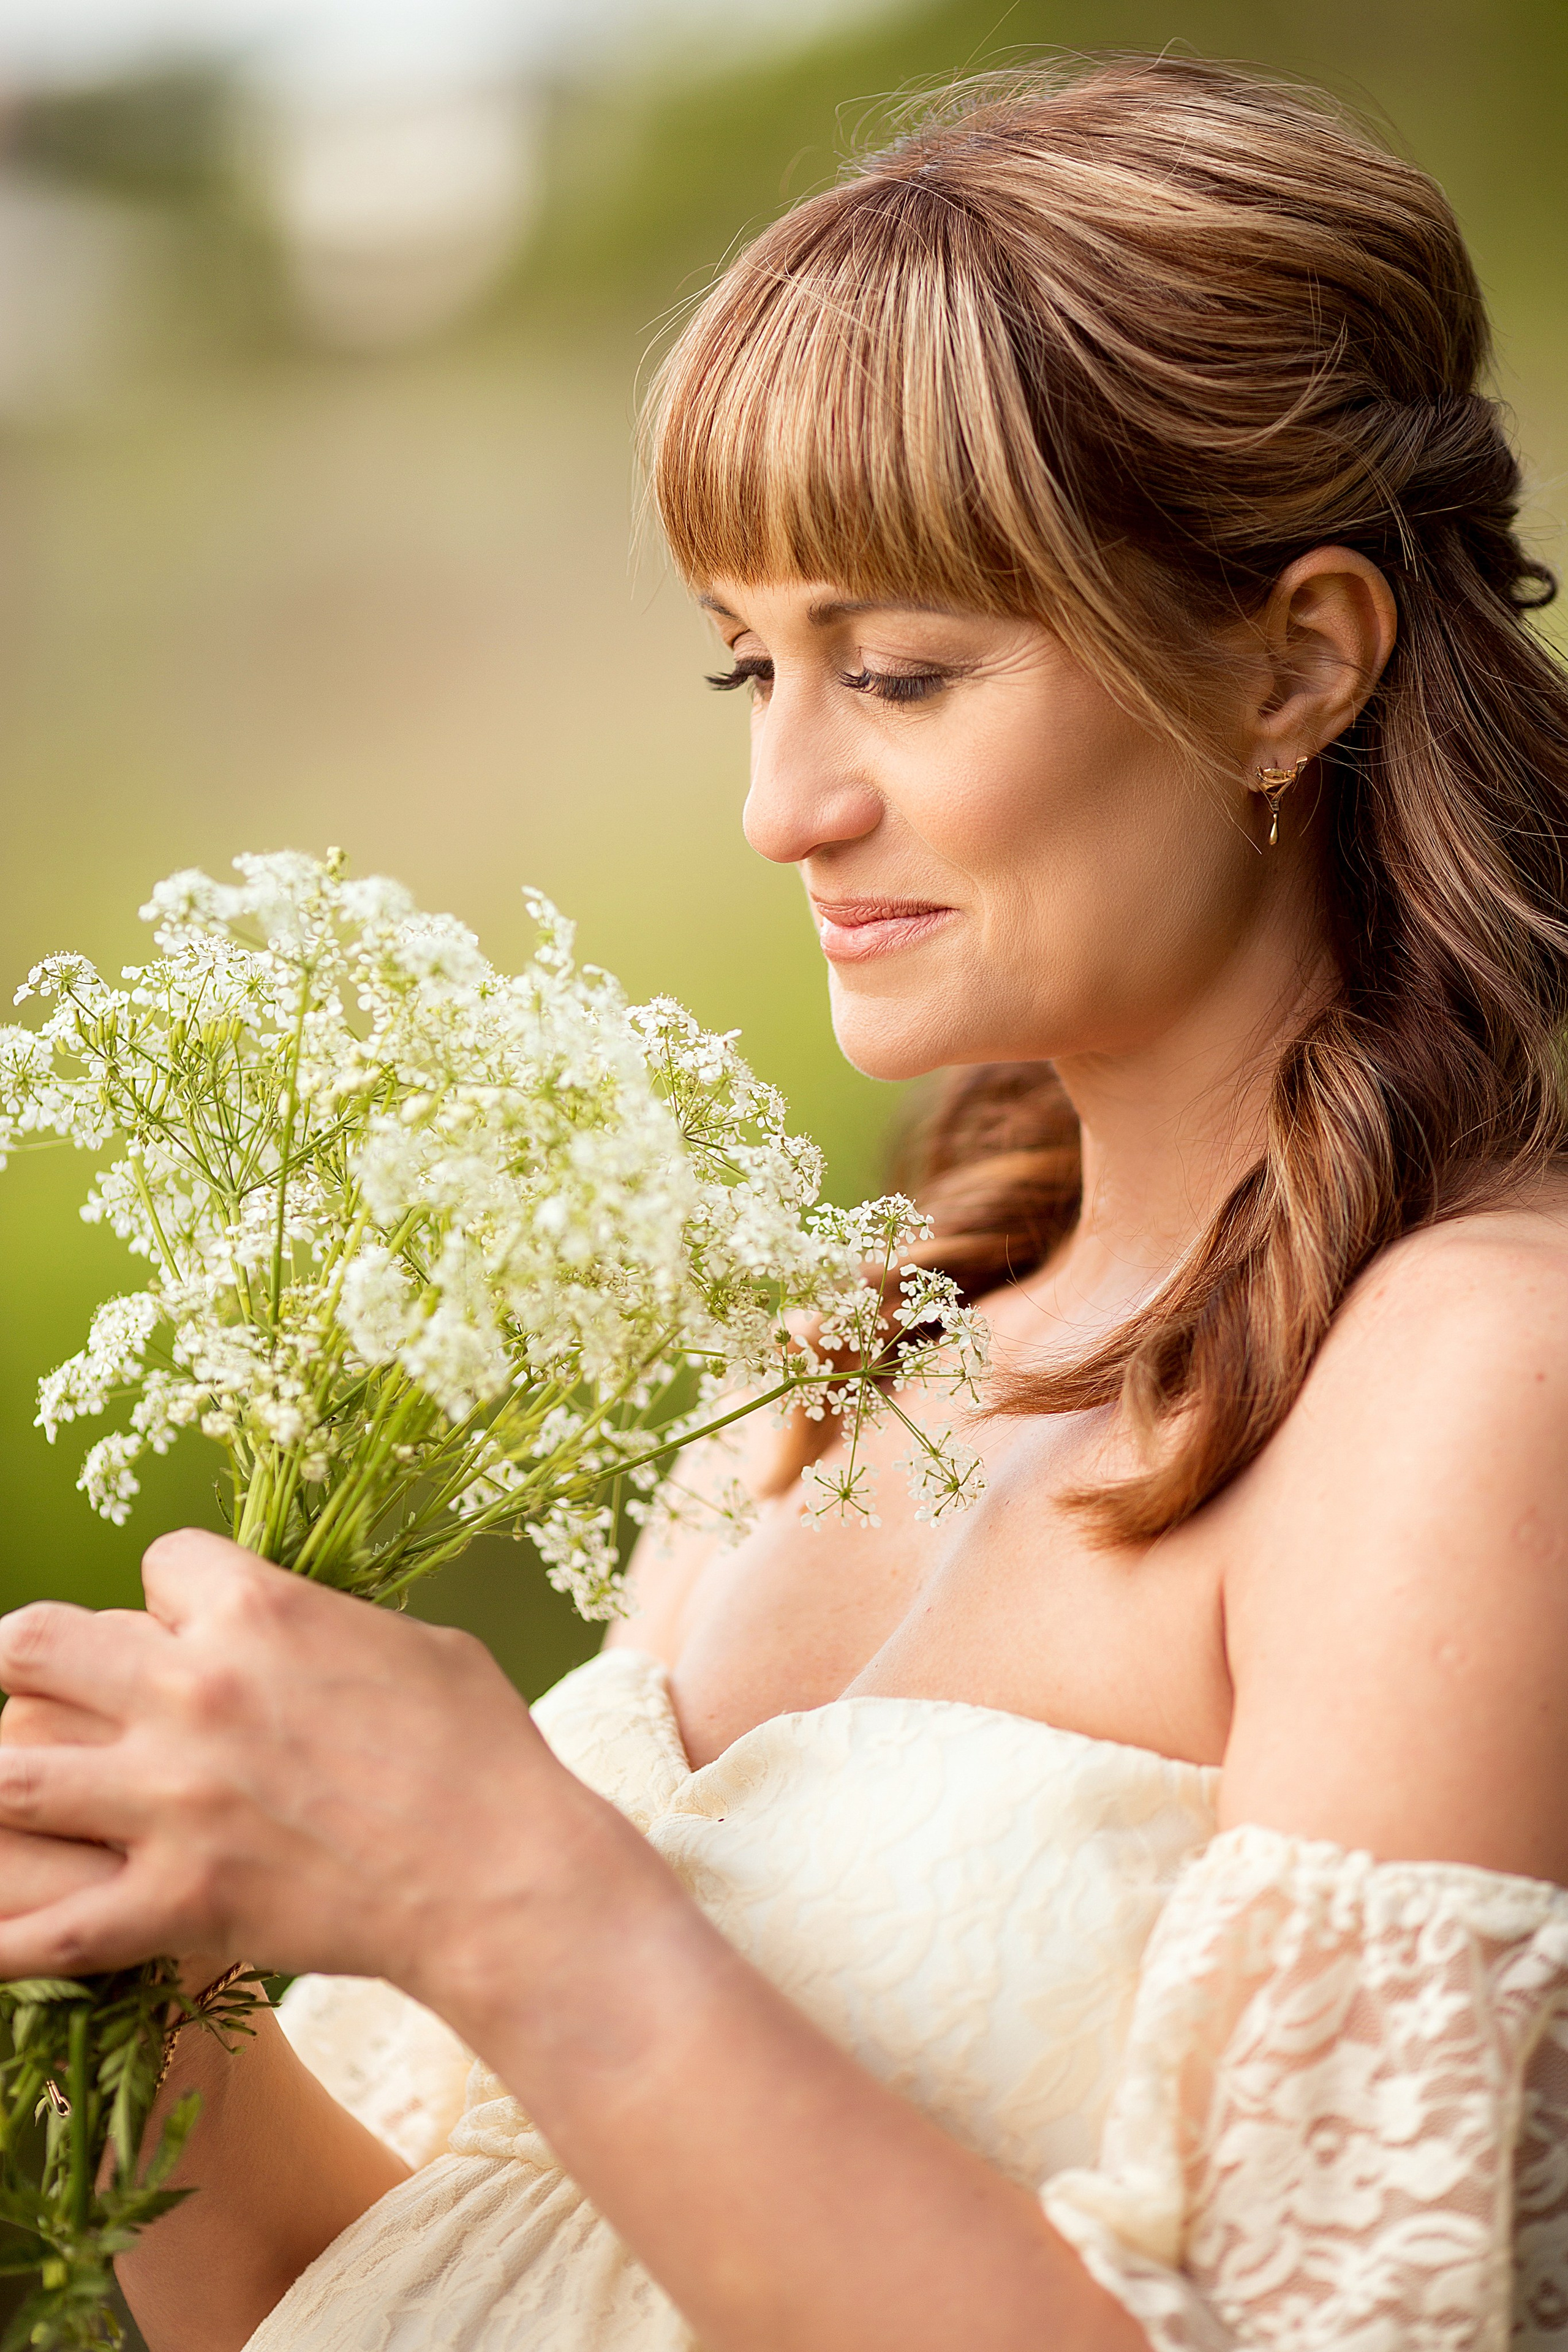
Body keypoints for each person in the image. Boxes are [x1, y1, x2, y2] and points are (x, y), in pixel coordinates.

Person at [0, 50, 1566, 2352]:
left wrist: (505, 1881)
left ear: (1292, 661)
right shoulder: (827, 1364)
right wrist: (135, 1957)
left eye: (901, 671)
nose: (783, 801)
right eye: (754, 666)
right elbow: (445, 2270)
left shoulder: (1473, 1378)